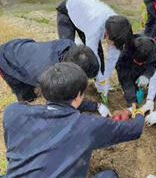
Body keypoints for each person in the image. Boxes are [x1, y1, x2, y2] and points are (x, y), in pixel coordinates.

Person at [2, 62, 145, 178]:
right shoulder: (87, 125)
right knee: (109, 175)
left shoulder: (13, 112)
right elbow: (135, 130)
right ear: (78, 96)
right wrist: (138, 113)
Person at [0, 39, 111, 117]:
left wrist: (101, 82)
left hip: (24, 46)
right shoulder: (50, 74)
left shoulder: (71, 48)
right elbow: (64, 101)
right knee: (28, 98)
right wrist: (96, 106)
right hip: (6, 60)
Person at [57, 0, 133, 97]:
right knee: (67, 49)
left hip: (85, 17)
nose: (112, 45)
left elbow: (112, 57)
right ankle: (65, 86)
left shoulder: (119, 27)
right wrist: (99, 78)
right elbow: (92, 54)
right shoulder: (95, 27)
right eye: (112, 42)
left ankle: (99, 84)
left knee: (99, 53)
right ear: (106, 33)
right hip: (68, 11)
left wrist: (104, 79)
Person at [116, 36, 156, 109]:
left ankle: (139, 83)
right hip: (128, 64)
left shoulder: (153, 49)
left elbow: (152, 65)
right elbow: (123, 73)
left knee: (146, 75)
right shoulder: (127, 49)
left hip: (144, 65)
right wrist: (131, 101)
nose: (139, 64)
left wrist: (146, 75)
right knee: (128, 83)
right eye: (137, 61)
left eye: (142, 62)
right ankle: (131, 94)